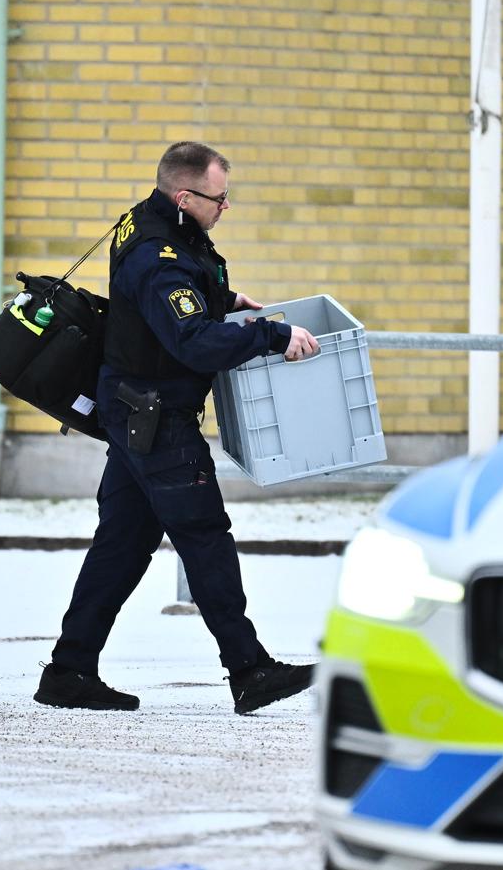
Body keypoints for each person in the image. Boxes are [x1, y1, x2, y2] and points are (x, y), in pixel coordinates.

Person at [35, 141, 321, 715]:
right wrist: (271, 335)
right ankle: (250, 670)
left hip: (134, 409)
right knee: (204, 537)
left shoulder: (147, 223)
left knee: (121, 545)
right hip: (156, 417)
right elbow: (191, 340)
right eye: (219, 198)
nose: (226, 207)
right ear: (185, 196)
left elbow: (165, 306)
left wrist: (223, 297)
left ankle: (68, 671)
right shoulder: (157, 256)